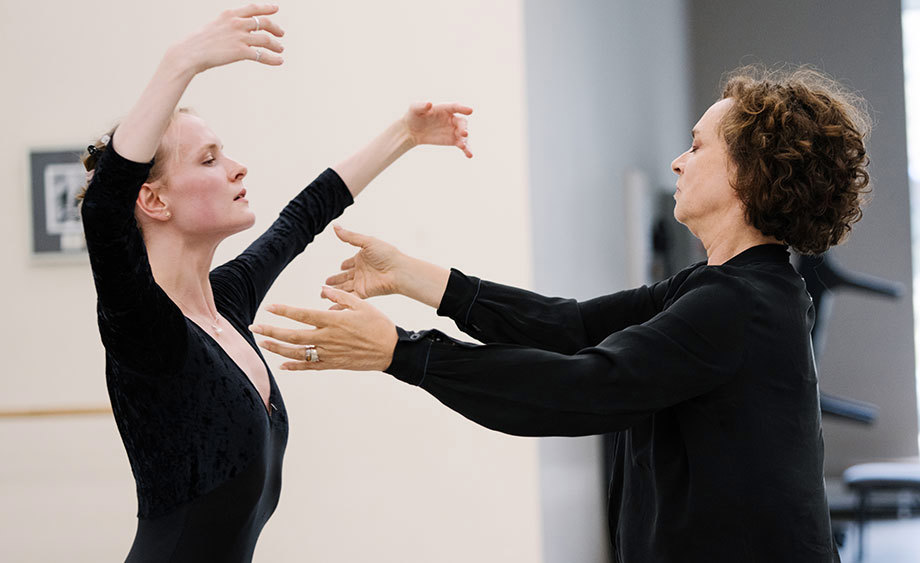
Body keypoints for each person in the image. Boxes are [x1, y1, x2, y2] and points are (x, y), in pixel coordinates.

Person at [251, 65, 870, 562]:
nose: (679, 162)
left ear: (749, 172)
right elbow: (570, 327)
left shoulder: (737, 305)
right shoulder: (726, 288)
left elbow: (578, 390)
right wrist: (417, 279)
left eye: (696, 145)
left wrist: (403, 352)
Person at [80, 5, 472, 561]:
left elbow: (302, 218)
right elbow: (103, 210)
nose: (237, 168)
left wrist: (405, 134)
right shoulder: (144, 330)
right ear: (154, 199)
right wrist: (182, 61)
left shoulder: (226, 305)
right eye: (210, 159)